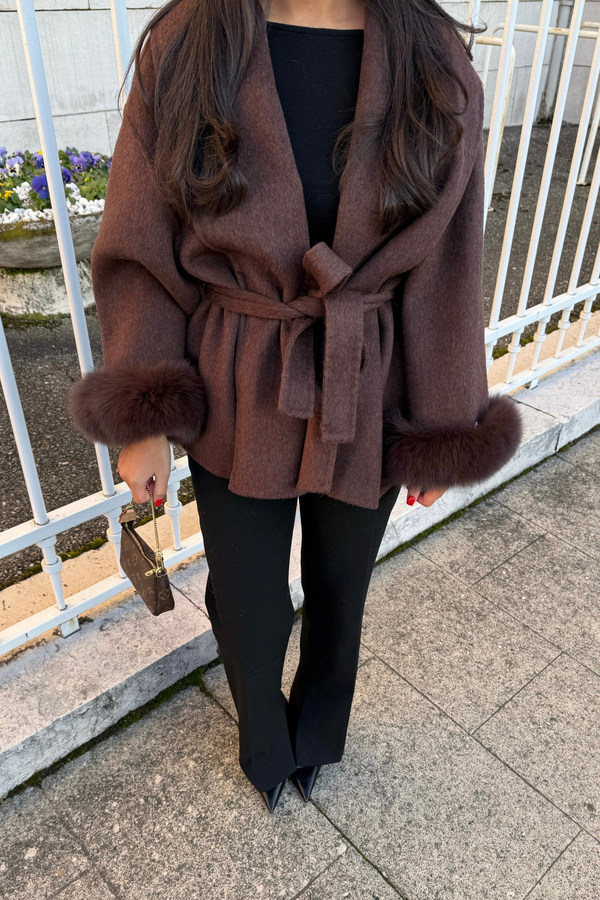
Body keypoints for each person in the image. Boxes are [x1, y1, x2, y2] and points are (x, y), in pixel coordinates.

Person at [68, 0, 522, 813]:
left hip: (368, 375)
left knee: (342, 587)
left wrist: (443, 421)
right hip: (237, 375)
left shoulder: (433, 56)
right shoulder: (188, 42)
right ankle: (262, 739)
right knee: (249, 598)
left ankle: (319, 731)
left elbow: (450, 261)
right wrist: (144, 418)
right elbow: (140, 242)